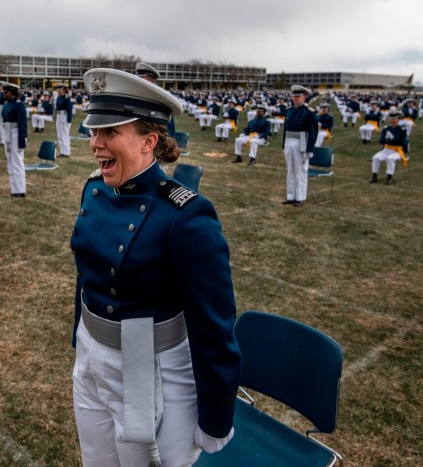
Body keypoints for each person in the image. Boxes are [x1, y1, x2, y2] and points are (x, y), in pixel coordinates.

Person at [70, 68, 241, 467]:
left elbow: (213, 323)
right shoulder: (94, 188)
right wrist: (82, 341)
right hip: (92, 355)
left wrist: (216, 417)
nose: (95, 143)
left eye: (110, 132)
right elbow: (86, 273)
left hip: (150, 367)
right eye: (95, 131)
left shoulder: (185, 215)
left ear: (149, 141)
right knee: (96, 460)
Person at [282, 85, 318, 207]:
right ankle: (291, 196)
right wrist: (284, 145)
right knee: (290, 171)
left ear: (305, 97)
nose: (295, 99)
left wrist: (309, 150)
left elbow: (313, 132)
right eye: (294, 96)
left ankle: (300, 197)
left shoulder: (309, 113)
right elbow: (285, 130)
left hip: (301, 142)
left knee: (301, 171)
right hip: (289, 141)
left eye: (298, 96)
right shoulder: (289, 110)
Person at [0, 81, 27, 197]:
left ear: (11, 92)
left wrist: (22, 141)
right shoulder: (7, 104)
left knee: (17, 162)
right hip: (7, 130)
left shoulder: (19, 104)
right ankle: (14, 189)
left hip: (16, 132)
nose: (3, 94)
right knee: (10, 161)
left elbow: (22, 124)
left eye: (5, 92)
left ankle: (20, 190)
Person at [370, 110, 408, 185]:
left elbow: (401, 142)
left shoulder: (402, 130)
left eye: (394, 119)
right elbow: (381, 141)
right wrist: (388, 140)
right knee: (375, 158)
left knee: (390, 158)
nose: (392, 121)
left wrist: (390, 140)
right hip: (386, 149)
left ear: (398, 119)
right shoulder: (386, 128)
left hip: (397, 150)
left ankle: (389, 178)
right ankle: (374, 176)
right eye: (391, 119)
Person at [55, 84, 73, 158]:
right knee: (59, 135)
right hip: (59, 115)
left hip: (64, 115)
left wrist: (68, 121)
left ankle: (66, 152)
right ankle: (62, 151)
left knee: (64, 135)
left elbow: (69, 109)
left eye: (61, 89)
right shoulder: (59, 97)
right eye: (58, 89)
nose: (59, 90)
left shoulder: (66, 97)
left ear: (64, 90)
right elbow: (57, 106)